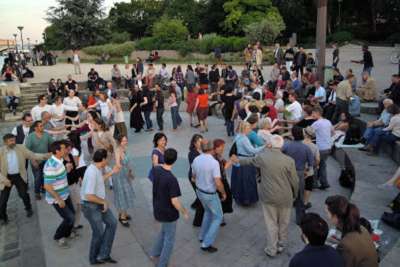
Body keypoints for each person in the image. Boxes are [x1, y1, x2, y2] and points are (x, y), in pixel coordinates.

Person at [232, 135, 298, 257]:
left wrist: (237, 161)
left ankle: (271, 249)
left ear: (270, 145)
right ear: (281, 146)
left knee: (271, 223)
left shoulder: (263, 157)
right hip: (286, 197)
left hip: (268, 196)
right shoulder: (289, 161)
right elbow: (295, 181)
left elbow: (250, 161)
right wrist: (295, 194)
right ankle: (281, 244)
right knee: (283, 222)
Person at [150, 148, 189, 266]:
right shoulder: (172, 179)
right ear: (175, 161)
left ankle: (155, 252)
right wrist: (184, 211)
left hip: (158, 208)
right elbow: (175, 201)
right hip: (169, 213)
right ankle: (162, 263)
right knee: (169, 239)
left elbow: (157, 165)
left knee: (163, 232)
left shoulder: (156, 170)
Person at [0, 134, 49, 225]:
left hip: (19, 176)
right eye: (11, 141)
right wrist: (3, 180)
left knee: (24, 195)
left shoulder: (20, 148)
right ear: (5, 142)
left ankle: (28, 208)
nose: (13, 142)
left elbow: (33, 155)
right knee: (3, 200)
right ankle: (3, 217)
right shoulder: (1, 152)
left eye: (14, 140)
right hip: (6, 177)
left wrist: (46, 156)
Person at [81, 149, 119, 264]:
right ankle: (93, 258)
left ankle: (104, 254)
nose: (108, 160)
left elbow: (99, 180)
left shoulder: (96, 168)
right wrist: (103, 202)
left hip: (97, 203)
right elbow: (88, 195)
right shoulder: (92, 172)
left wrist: (112, 172)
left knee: (112, 223)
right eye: (107, 158)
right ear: (103, 160)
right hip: (91, 206)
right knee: (98, 232)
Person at [192, 140, 226, 253]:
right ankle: (206, 243)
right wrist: (223, 193)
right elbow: (218, 182)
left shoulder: (196, 159)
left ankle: (202, 235)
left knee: (207, 212)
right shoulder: (213, 163)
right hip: (209, 194)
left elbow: (193, 176)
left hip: (199, 191)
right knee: (218, 217)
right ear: (212, 149)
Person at [325, 195, 378, 267]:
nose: (326, 216)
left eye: (327, 212)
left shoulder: (346, 245)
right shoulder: (361, 228)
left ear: (335, 216)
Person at [43, 141, 76, 248]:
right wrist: (58, 199)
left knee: (72, 215)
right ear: (57, 151)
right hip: (57, 198)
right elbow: (47, 186)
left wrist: (66, 170)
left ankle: (67, 233)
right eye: (64, 148)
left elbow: (58, 177)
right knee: (69, 218)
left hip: (65, 194)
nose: (66, 150)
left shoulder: (60, 160)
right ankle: (58, 236)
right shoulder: (50, 165)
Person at [282, 126, 314, 224]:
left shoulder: (286, 145)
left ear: (292, 134)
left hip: (286, 173)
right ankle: (299, 219)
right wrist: (306, 172)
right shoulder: (306, 148)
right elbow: (311, 164)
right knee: (300, 198)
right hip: (300, 174)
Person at [231, 121, 265, 206]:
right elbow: (252, 150)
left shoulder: (238, 136)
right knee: (247, 182)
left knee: (240, 182)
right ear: (244, 128)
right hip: (246, 161)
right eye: (248, 128)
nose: (250, 129)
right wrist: (264, 146)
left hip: (240, 159)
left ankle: (240, 198)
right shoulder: (244, 138)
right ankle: (247, 200)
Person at [25, 120, 54, 200]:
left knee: (46, 176)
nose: (42, 127)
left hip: (45, 159)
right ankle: (37, 192)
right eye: (40, 126)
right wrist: (33, 160)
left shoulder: (46, 135)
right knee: (38, 177)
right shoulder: (30, 137)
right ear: (35, 128)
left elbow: (53, 144)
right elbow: (27, 150)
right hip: (35, 160)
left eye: (42, 125)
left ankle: (44, 188)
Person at [113, 135, 135, 227]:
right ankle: (122, 217)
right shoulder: (118, 150)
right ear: (119, 142)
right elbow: (118, 163)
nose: (125, 142)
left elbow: (127, 162)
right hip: (120, 176)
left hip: (125, 174)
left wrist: (130, 172)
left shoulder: (124, 148)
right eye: (123, 141)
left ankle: (124, 213)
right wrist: (120, 165)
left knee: (126, 194)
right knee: (122, 195)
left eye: (126, 140)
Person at [311, 106, 333, 190]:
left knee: (315, 165)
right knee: (323, 165)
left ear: (317, 113)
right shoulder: (328, 121)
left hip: (320, 148)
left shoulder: (317, 123)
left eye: (313, 113)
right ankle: (324, 183)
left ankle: (314, 183)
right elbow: (332, 132)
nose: (312, 115)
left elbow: (308, 132)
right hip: (328, 147)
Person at [303, 127, 320, 209]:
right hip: (309, 170)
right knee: (308, 187)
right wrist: (314, 166)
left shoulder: (299, 143)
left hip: (297, 169)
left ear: (305, 134)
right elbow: (317, 160)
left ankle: (295, 200)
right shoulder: (314, 147)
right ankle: (305, 202)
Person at [188, 134, 203, 213]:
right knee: (200, 195)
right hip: (194, 177)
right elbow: (195, 168)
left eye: (202, 141)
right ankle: (198, 217)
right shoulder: (192, 153)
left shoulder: (201, 150)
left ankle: (194, 205)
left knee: (200, 194)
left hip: (199, 176)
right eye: (199, 142)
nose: (201, 143)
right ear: (194, 143)